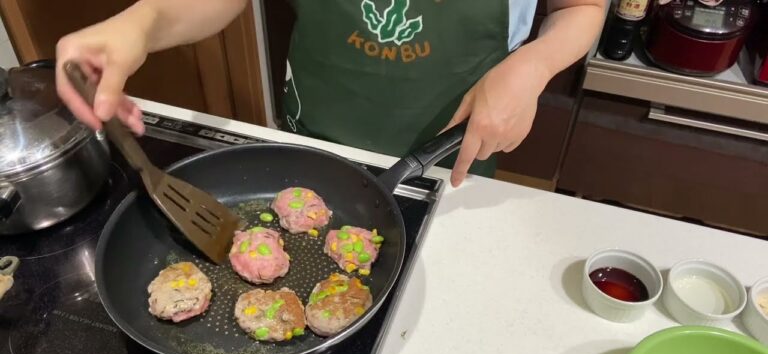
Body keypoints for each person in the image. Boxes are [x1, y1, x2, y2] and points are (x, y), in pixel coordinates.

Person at [55, 0, 605, 187]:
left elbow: (579, 8)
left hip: (451, 156)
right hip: (313, 145)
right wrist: (143, 21)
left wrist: (533, 67)